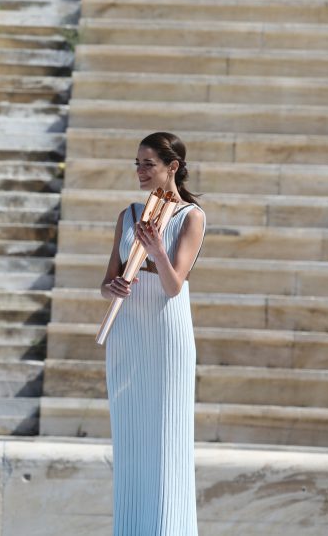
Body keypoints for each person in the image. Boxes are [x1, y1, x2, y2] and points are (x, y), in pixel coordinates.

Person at [100, 131, 205, 535]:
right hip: (128, 332)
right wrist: (112, 288)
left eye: (149, 164)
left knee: (165, 438)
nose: (140, 172)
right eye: (137, 164)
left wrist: (157, 249)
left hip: (166, 332)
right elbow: (107, 279)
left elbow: (174, 284)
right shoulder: (128, 214)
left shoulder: (191, 216)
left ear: (172, 167)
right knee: (131, 439)